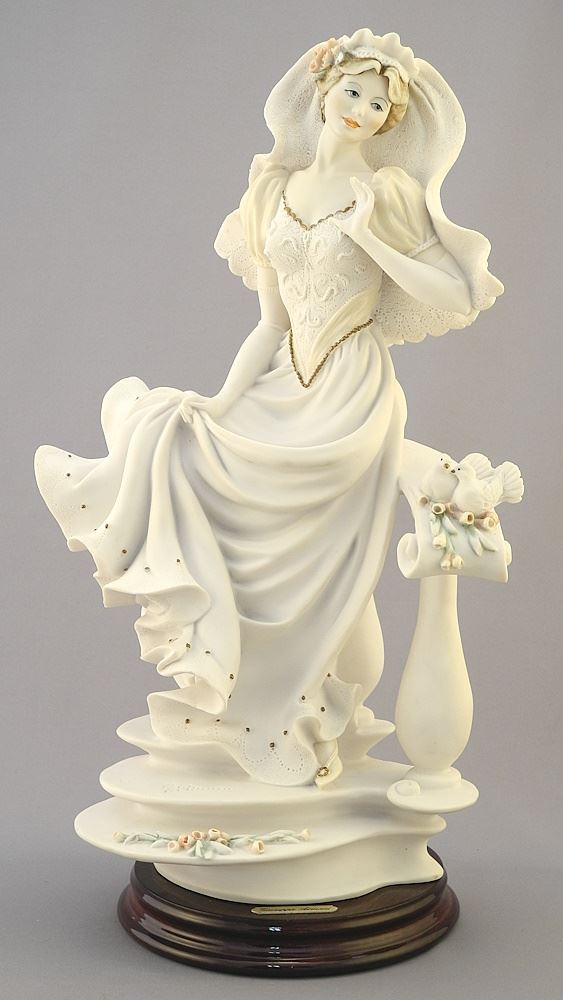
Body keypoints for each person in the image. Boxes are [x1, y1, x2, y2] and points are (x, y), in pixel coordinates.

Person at [35, 30, 503, 789]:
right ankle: (234, 679)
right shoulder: (269, 193)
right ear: (323, 90)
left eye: (377, 104)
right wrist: (222, 400)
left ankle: (302, 705)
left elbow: (456, 294)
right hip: (284, 375)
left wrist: (374, 241)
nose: (360, 110)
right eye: (353, 92)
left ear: (388, 122)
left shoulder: (386, 194)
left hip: (351, 390)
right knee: (177, 436)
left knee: (320, 562)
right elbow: (270, 324)